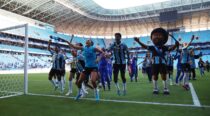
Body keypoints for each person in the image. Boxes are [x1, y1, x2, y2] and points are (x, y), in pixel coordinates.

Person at [134, 28, 179, 95]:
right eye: (155, 35)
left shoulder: (164, 47)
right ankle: (155, 88)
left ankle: (165, 88)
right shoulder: (152, 47)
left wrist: (175, 45)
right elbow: (145, 47)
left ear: (164, 38)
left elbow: (170, 49)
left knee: (164, 76)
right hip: (154, 64)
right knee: (155, 76)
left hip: (163, 63)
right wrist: (138, 42)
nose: (157, 37)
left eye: (159, 35)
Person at [62, 36, 106, 101]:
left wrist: (98, 59)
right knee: (79, 82)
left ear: (91, 43)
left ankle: (96, 92)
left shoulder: (93, 48)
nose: (87, 40)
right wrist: (67, 41)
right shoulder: (83, 48)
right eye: (87, 40)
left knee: (93, 81)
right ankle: (79, 93)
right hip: (87, 67)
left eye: (89, 40)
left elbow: (102, 52)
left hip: (94, 67)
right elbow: (73, 46)